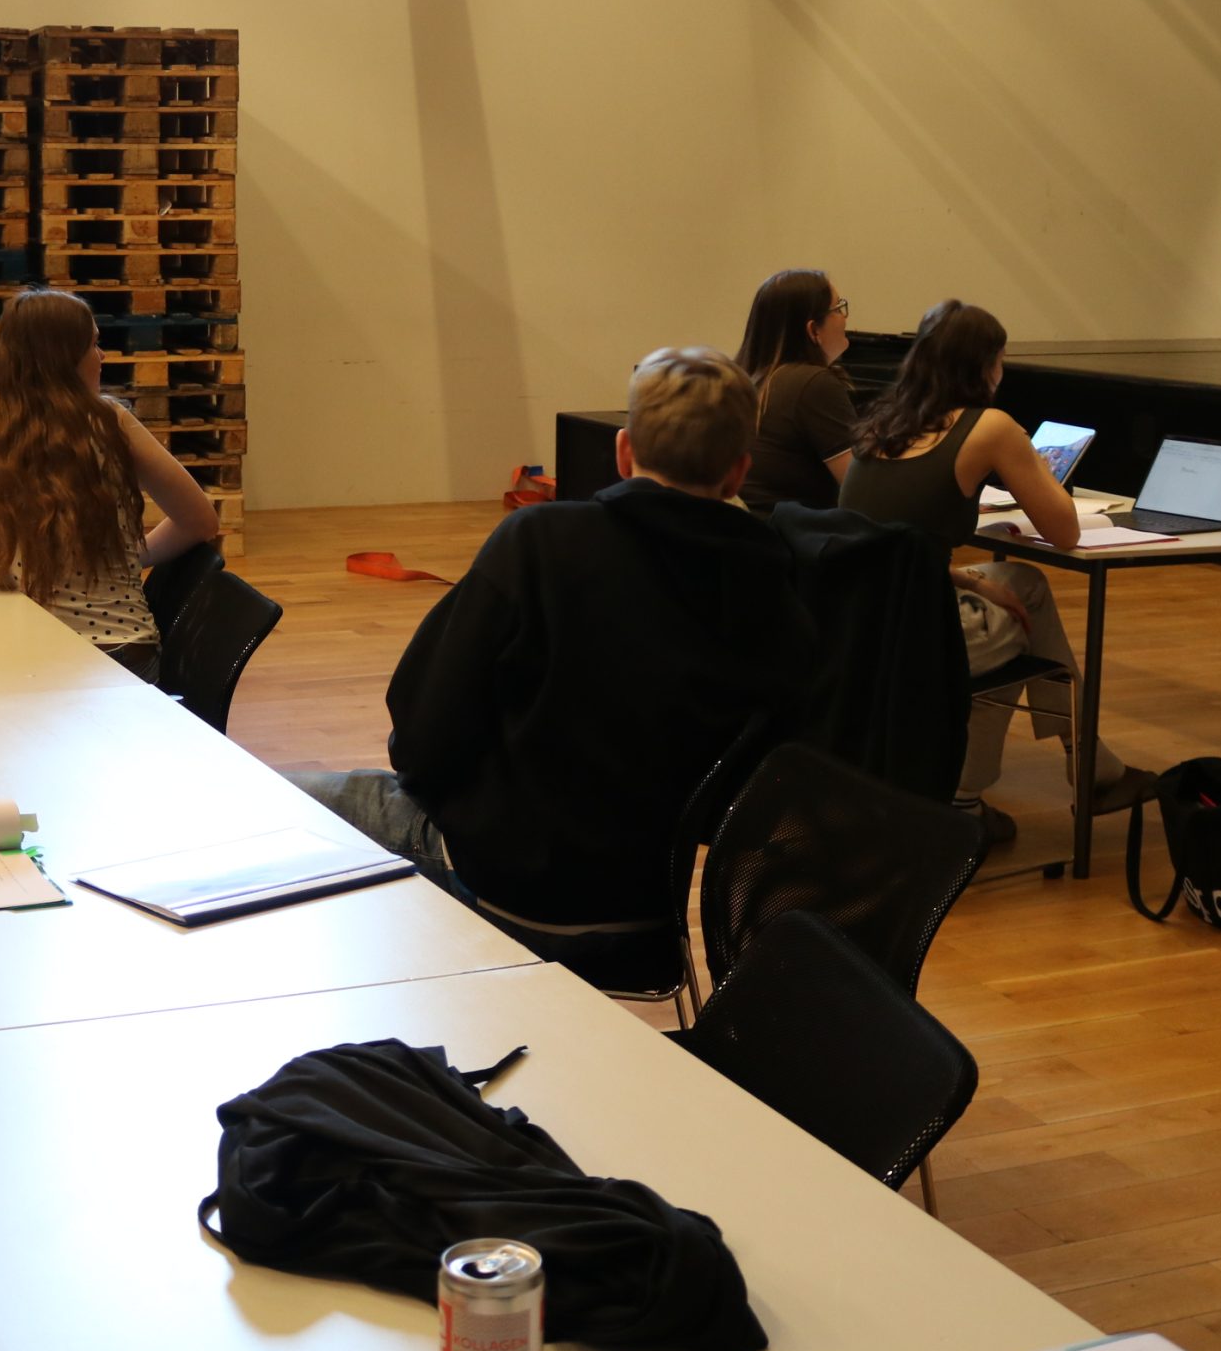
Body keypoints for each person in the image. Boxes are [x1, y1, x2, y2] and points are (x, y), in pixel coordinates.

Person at [289, 347, 815, 984]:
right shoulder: (778, 593)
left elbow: (421, 732)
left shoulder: (539, 541)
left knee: (264, 799)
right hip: (644, 922)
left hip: (499, 889)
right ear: (738, 473)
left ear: (623, 451)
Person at [840, 299, 1154, 840]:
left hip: (860, 624)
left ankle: (1087, 759)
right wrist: (1035, 465)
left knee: (1022, 584)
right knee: (1017, 637)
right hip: (918, 635)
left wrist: (970, 578)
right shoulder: (989, 427)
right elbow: (1065, 531)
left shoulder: (880, 424)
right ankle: (970, 801)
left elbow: (889, 548)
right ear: (984, 365)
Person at [0, 288, 220, 677]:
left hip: (23, 659)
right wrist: (126, 558)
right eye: (93, 344)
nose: (102, 357)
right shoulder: (109, 423)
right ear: (63, 358)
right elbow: (200, 521)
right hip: (121, 656)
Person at [734, 268, 857, 510]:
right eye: (837, 308)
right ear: (813, 330)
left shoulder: (740, 379)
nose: (845, 317)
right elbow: (859, 488)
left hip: (744, 526)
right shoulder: (813, 384)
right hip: (789, 531)